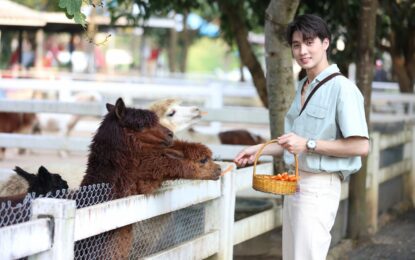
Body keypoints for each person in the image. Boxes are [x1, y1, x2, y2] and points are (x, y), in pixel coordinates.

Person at [234, 14, 369, 260]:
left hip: (319, 187)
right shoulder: (304, 86)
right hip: (296, 184)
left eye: (309, 42)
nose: (302, 51)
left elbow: (361, 146)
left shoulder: (343, 89)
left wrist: (308, 144)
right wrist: (258, 149)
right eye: (296, 45)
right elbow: (292, 143)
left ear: (325, 43)